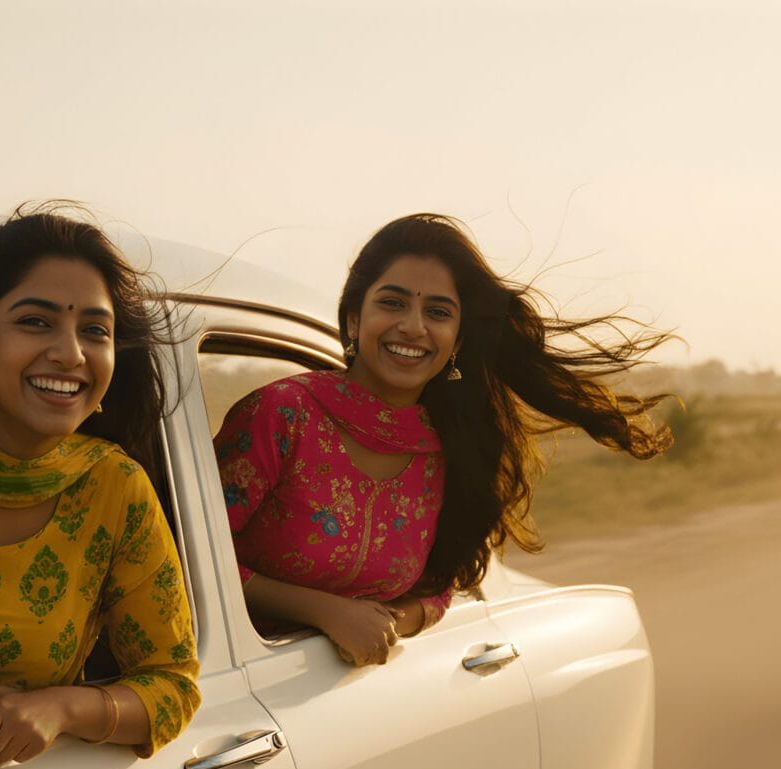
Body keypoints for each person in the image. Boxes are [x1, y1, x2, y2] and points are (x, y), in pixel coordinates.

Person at [215, 213, 673, 665]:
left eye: (437, 312)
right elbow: (193, 562)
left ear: (456, 341)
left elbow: (439, 586)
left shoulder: (449, 450)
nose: (413, 326)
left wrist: (389, 621)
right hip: (240, 677)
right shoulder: (282, 415)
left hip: (359, 699)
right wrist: (327, 613)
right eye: (392, 303)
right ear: (355, 319)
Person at [0, 205, 200, 764]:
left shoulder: (113, 486)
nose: (71, 353)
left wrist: (63, 708)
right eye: (36, 321)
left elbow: (173, 687)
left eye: (94, 331)